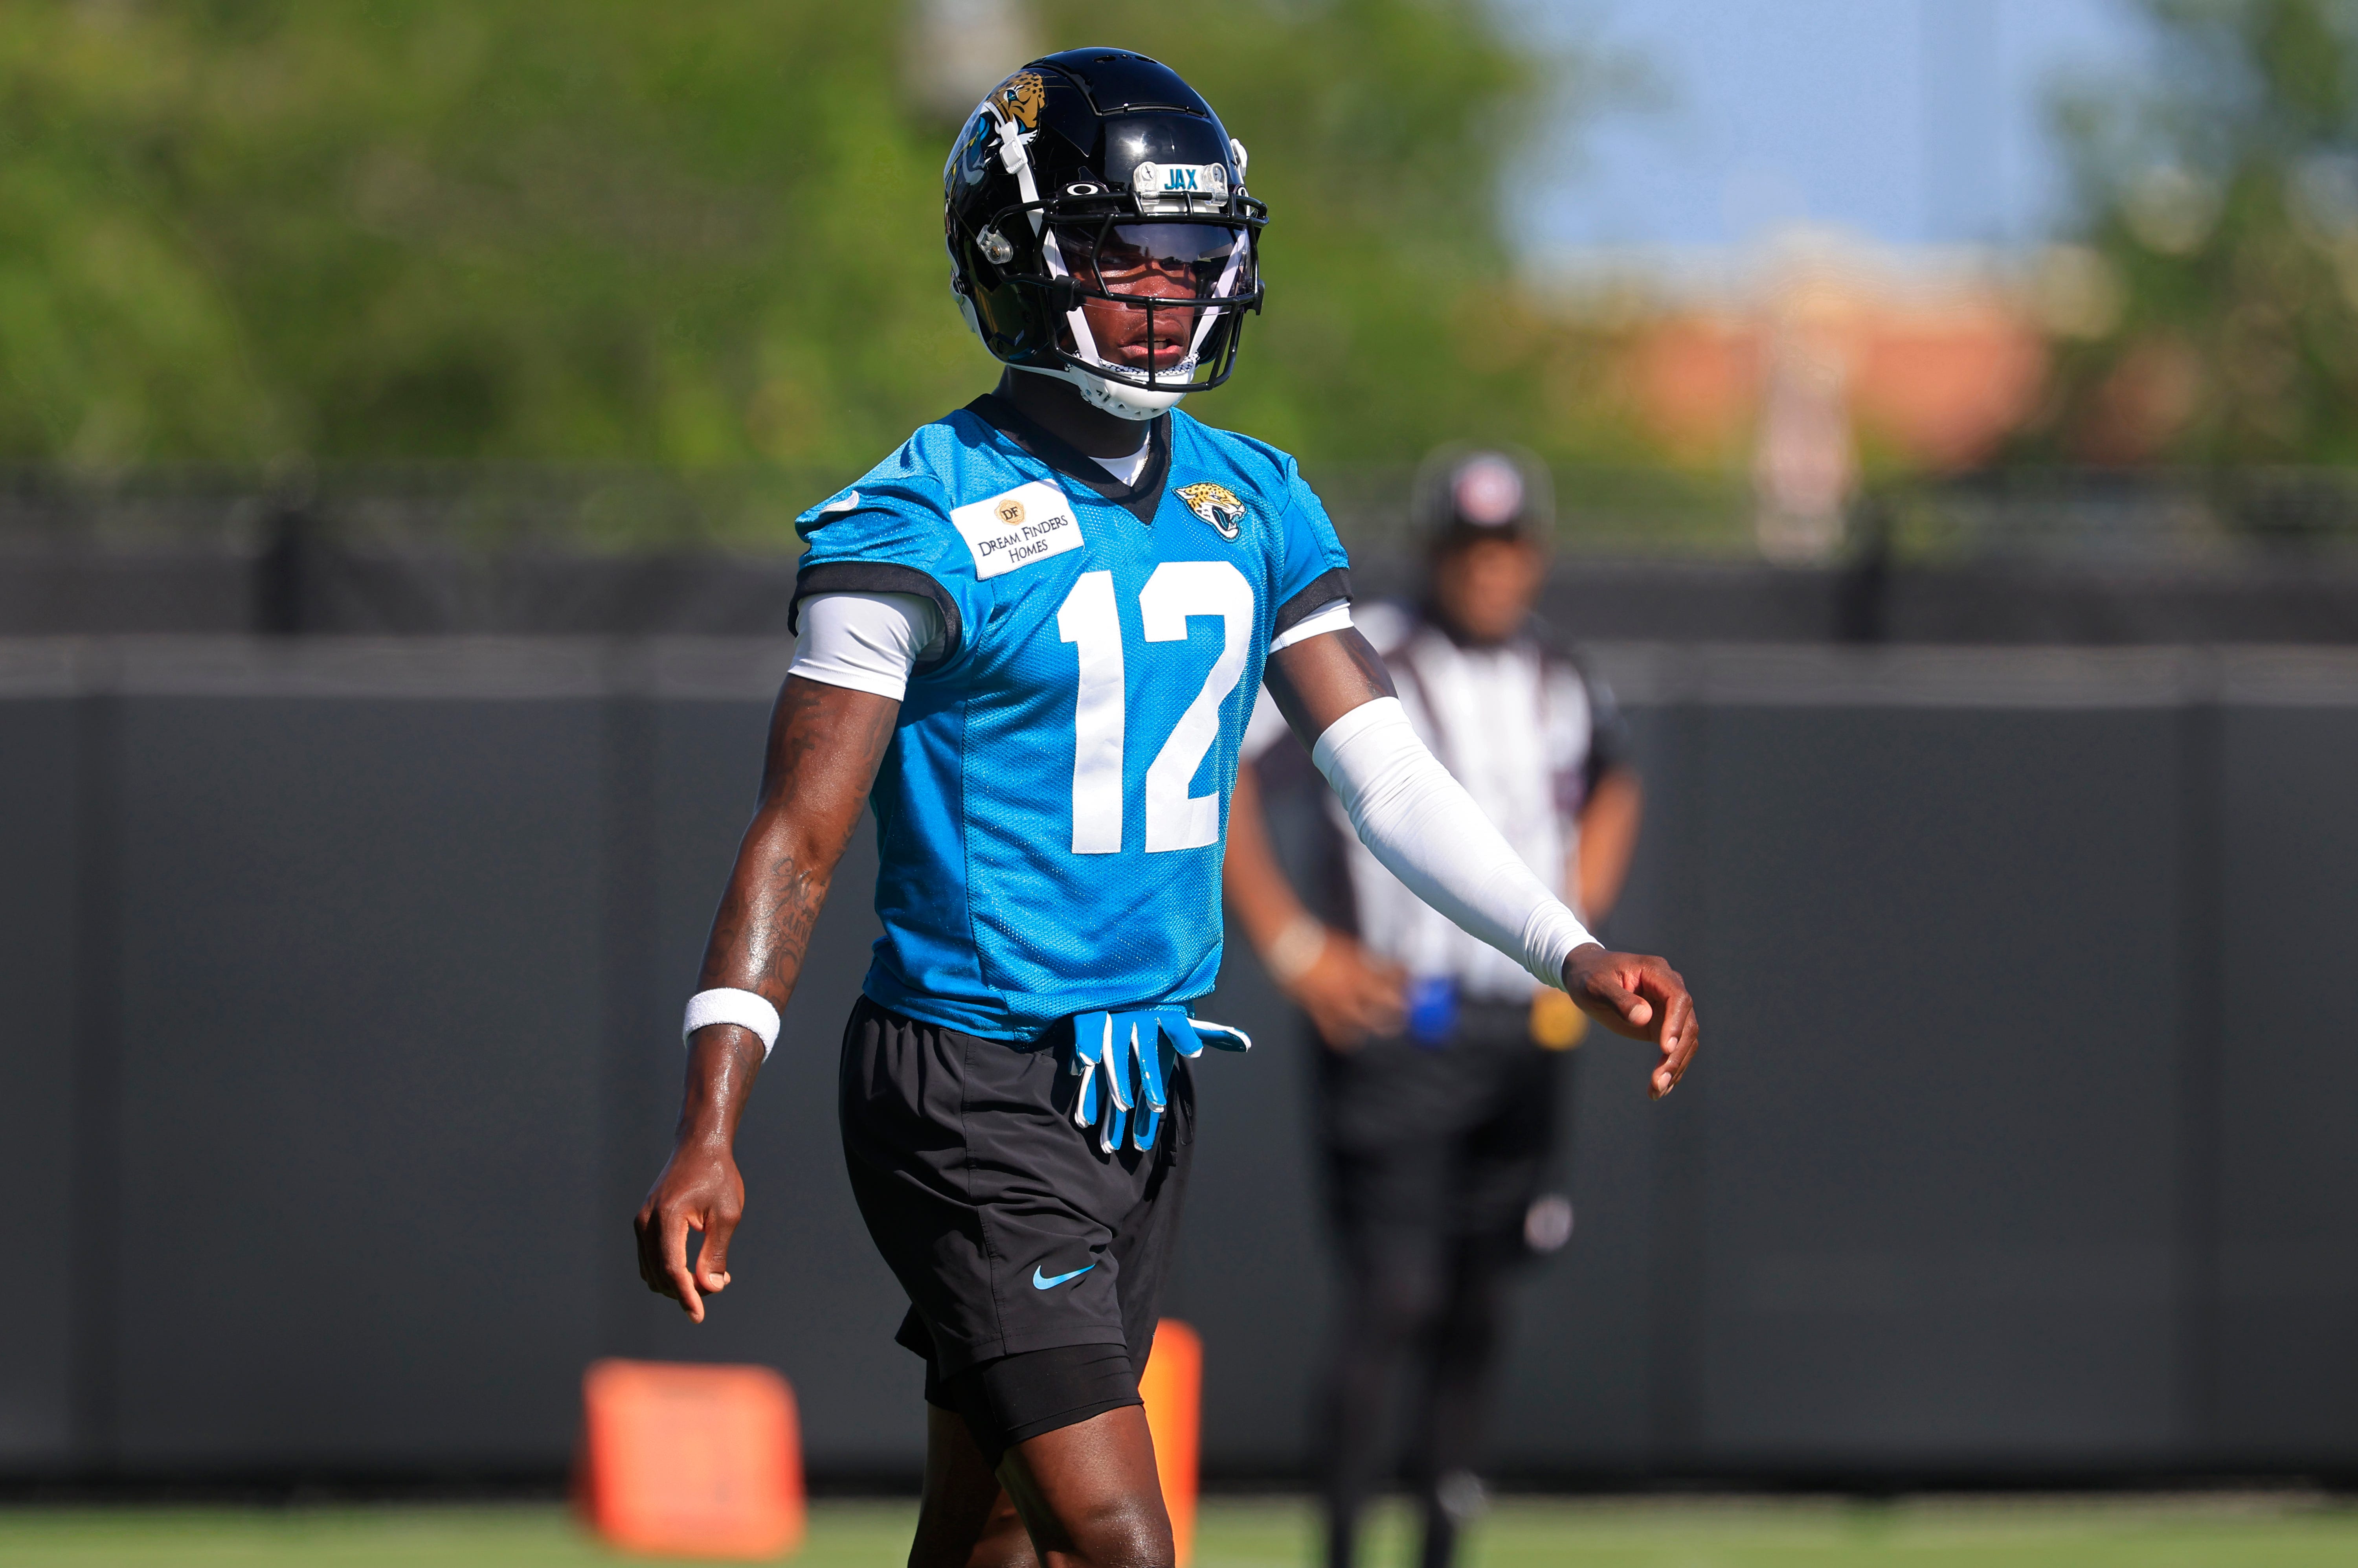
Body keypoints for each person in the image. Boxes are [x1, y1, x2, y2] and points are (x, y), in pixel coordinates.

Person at [632, 51, 1697, 1568]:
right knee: (1124, 1542)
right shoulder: (916, 517)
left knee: (993, 1530)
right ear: (1017, 260)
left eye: (1195, 258)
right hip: (968, 1080)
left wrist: (1566, 948)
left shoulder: (1252, 496)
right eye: (1123, 255)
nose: (1170, 292)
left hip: (1138, 1092)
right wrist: (710, 1123)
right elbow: (798, 839)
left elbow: (1379, 766)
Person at [1224, 447, 1643, 1568]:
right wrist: (1297, 947)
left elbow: (1617, 775)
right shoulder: (1375, 661)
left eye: (1508, 549)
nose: (1490, 572)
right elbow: (1221, 776)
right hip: (1406, 1030)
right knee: (1394, 1299)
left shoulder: (1562, 673)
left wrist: (1580, 915)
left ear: (1536, 556)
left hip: (1524, 1029)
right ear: (1434, 552)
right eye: (1469, 548)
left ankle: (1443, 1546)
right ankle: (1349, 1545)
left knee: (1481, 1303)